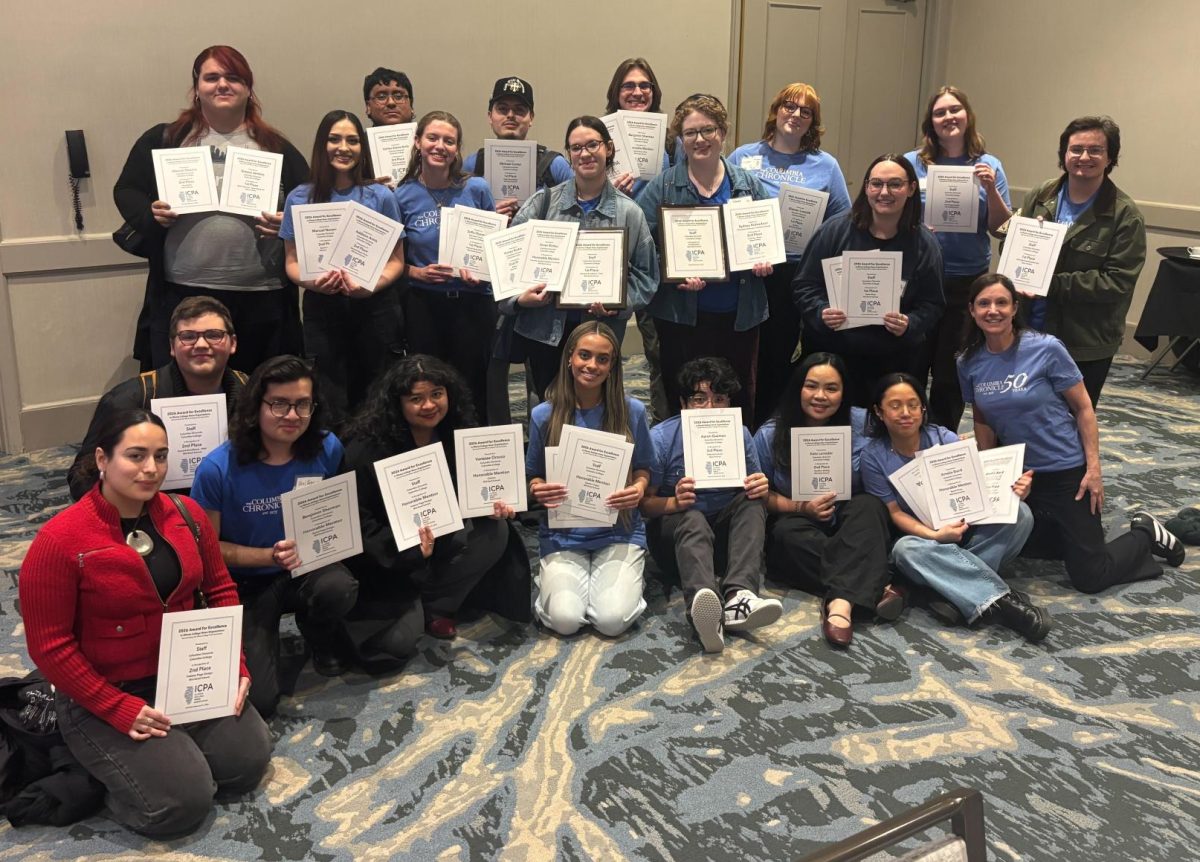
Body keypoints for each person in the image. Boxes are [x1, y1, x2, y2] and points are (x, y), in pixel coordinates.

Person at [20, 409, 269, 838]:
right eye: (135, 456)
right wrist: (116, 708)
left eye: (160, 455)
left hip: (184, 677)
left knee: (246, 763)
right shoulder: (59, 542)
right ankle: (98, 779)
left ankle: (160, 762)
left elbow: (222, 591)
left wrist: (235, 666)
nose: (151, 469)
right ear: (102, 459)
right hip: (103, 692)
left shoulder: (186, 514)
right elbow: (51, 646)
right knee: (183, 804)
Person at [957, 274, 1184, 595]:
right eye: (984, 303)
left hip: (1066, 469)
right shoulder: (968, 362)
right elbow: (981, 415)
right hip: (1022, 475)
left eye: (1001, 302)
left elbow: (1084, 409)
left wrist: (1093, 469)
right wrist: (990, 470)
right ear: (972, 310)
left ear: (1014, 307)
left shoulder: (1046, 349)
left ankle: (1145, 533)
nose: (993, 310)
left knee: (1091, 576)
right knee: (1024, 545)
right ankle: (1066, 533)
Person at [114, 45, 308, 374]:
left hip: (262, 298)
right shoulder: (167, 138)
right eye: (212, 77)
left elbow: (311, 202)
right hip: (184, 294)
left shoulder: (276, 146)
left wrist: (287, 223)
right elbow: (126, 190)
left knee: (258, 396)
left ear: (248, 88)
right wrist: (152, 214)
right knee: (190, 398)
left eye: (233, 77)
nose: (222, 85)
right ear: (197, 87)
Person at [191, 356, 358, 717]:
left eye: (302, 404)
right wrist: (267, 556)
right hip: (246, 583)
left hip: (307, 570)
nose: (292, 415)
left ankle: (317, 630)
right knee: (262, 699)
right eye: (279, 404)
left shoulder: (328, 448)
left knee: (339, 588)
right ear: (256, 407)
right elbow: (207, 550)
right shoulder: (217, 468)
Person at [341, 355, 523, 644]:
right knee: (397, 642)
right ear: (397, 403)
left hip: (443, 537)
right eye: (416, 398)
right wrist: (410, 550)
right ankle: (416, 604)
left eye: (437, 394)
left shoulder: (457, 433)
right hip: (388, 554)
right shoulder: (365, 450)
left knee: (495, 531)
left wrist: (487, 505)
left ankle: (437, 605)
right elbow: (358, 523)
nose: (429, 405)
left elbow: (467, 495)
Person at [860, 372, 1051, 642]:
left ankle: (941, 590)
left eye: (913, 405)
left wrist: (1015, 491)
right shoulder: (873, 456)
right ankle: (1004, 604)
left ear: (923, 408)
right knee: (905, 551)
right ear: (879, 412)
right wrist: (935, 536)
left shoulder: (942, 437)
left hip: (965, 528)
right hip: (923, 540)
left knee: (1021, 514)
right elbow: (894, 513)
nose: (906, 413)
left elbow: (980, 485)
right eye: (895, 405)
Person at [636, 94, 774, 415]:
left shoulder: (748, 186)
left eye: (708, 130)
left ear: (723, 133)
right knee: (683, 392)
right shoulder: (663, 187)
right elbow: (641, 250)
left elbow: (767, 238)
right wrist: (672, 272)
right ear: (680, 140)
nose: (700, 139)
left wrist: (765, 260)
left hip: (740, 314)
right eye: (690, 133)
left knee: (735, 394)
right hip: (681, 316)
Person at [504, 116, 659, 400]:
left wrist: (619, 303)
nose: (585, 154)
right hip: (545, 331)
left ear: (609, 149)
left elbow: (646, 276)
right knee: (549, 408)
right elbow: (507, 263)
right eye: (576, 148)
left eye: (592, 145)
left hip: (601, 332)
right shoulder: (542, 204)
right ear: (569, 155)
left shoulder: (629, 212)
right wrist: (518, 299)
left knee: (597, 412)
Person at [753, 353, 900, 647]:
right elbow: (759, 495)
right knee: (783, 537)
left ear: (844, 392)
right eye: (811, 386)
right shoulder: (771, 434)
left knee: (870, 506)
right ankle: (877, 579)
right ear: (798, 389)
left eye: (832, 388)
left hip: (852, 517)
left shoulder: (864, 423)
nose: (820, 396)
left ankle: (840, 603)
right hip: (799, 520)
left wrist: (947, 440)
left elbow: (910, 436)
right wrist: (800, 507)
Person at [730, 83, 852, 426]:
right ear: (776, 110)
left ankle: (771, 428)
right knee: (746, 356)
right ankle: (743, 430)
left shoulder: (825, 166)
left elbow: (843, 220)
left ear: (813, 121)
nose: (796, 115)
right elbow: (727, 209)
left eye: (806, 111)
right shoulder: (743, 156)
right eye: (789, 106)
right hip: (750, 273)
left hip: (797, 274)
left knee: (778, 356)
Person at [642, 357, 781, 653]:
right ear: (683, 403)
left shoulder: (740, 434)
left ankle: (738, 597)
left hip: (725, 543)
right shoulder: (662, 438)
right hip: (677, 542)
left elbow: (758, 492)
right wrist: (673, 502)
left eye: (719, 399)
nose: (710, 408)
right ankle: (703, 610)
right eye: (699, 399)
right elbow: (643, 506)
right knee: (690, 515)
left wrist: (761, 488)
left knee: (752, 502)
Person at [526, 322, 654, 636]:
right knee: (565, 621)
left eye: (602, 359)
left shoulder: (631, 411)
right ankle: (566, 584)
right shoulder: (544, 415)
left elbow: (644, 468)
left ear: (612, 367)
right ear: (570, 357)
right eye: (585, 355)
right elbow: (533, 476)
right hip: (565, 533)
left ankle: (626, 579)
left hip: (619, 530)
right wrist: (538, 489)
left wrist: (637, 489)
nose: (592, 365)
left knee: (611, 621)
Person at [281, 110, 406, 427]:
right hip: (323, 309)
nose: (343, 147)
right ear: (322, 145)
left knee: (378, 397)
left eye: (352, 140)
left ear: (362, 148)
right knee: (330, 399)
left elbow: (396, 262)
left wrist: (371, 286)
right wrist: (312, 283)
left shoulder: (381, 196)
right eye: (334, 139)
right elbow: (292, 263)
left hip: (376, 309)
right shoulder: (300, 197)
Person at [792, 154, 945, 407]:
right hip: (834, 355)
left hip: (895, 359)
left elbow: (933, 304)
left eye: (895, 184)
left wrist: (910, 323)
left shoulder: (925, 245)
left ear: (911, 189)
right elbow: (804, 285)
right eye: (876, 184)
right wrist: (820, 312)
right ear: (866, 188)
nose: (884, 192)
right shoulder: (834, 231)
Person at [1013, 116, 1146, 407]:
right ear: (1064, 154)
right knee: (1017, 411)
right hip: (1027, 328)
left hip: (1083, 341)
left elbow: (1117, 282)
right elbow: (1013, 246)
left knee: (1070, 424)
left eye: (1095, 150)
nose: (1084, 157)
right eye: (1076, 149)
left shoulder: (1125, 215)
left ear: (1110, 157)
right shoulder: (1041, 195)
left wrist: (1049, 283)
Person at [904, 86, 1012, 430]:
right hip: (918, 277)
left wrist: (991, 189)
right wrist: (919, 227)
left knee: (951, 371)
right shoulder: (913, 163)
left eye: (955, 110)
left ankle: (942, 440)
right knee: (912, 363)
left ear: (967, 116)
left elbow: (1000, 227)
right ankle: (906, 436)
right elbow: (892, 213)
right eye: (940, 113)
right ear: (930, 122)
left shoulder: (989, 165)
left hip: (966, 282)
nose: (948, 117)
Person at [67, 296, 247, 500]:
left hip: (233, 507)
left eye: (214, 335)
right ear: (172, 346)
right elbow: (81, 480)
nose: (201, 344)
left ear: (232, 343)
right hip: (149, 512)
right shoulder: (129, 400)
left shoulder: (251, 393)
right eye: (188, 336)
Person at [393, 111, 497, 420]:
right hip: (424, 305)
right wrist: (416, 272)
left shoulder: (477, 189)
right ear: (418, 142)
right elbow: (393, 260)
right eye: (433, 138)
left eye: (449, 141)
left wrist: (481, 271)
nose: (440, 146)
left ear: (457, 148)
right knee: (429, 387)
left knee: (474, 386)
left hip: (472, 303)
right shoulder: (402, 195)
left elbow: (493, 247)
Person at [604, 57, 671, 421]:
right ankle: (606, 422)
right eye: (628, 85)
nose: (637, 92)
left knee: (656, 347)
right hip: (608, 257)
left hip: (653, 258)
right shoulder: (599, 136)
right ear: (616, 92)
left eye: (644, 85)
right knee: (601, 348)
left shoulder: (670, 143)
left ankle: (660, 426)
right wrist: (609, 191)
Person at [463, 76, 572, 221]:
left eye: (519, 110)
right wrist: (488, 217)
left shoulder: (555, 165)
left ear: (531, 118)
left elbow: (576, 210)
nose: (510, 115)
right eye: (502, 109)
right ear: (490, 116)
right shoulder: (473, 164)